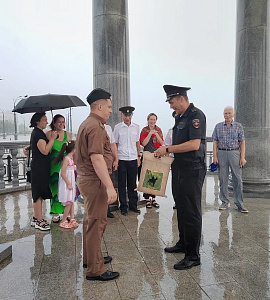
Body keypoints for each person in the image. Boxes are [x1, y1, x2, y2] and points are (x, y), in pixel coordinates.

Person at [154, 84, 206, 270]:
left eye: (172, 101)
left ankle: (193, 256)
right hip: (180, 168)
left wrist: (168, 149)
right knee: (181, 208)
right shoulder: (179, 118)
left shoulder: (195, 116)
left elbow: (193, 144)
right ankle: (183, 243)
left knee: (191, 210)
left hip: (192, 169)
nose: (170, 106)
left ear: (182, 98)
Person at [75, 88, 119, 281]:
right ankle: (95, 269)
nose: (111, 110)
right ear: (99, 106)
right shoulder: (95, 127)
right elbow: (97, 158)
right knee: (96, 223)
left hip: (87, 179)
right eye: (109, 107)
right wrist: (109, 186)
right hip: (95, 181)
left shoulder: (89, 123)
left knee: (89, 220)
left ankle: (91, 258)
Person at [212, 106, 248, 213]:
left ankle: (239, 203)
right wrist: (215, 156)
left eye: (229, 113)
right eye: (225, 113)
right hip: (222, 152)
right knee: (223, 178)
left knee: (237, 178)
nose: (227, 115)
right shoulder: (218, 126)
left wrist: (242, 157)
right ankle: (224, 201)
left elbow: (242, 142)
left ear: (233, 114)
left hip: (235, 152)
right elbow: (214, 142)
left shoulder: (238, 126)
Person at [29, 112, 58, 231]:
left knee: (40, 192)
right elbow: (45, 150)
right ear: (37, 121)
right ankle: (39, 220)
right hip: (39, 168)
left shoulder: (38, 133)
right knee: (38, 194)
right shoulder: (38, 134)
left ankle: (37, 217)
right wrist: (52, 139)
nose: (47, 122)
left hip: (41, 167)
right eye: (44, 120)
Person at [113, 106, 141, 215]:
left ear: (132, 115)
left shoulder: (136, 127)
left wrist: (138, 156)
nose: (127, 117)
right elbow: (115, 144)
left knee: (132, 183)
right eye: (125, 115)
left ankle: (133, 205)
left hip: (133, 158)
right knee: (122, 184)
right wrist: (116, 158)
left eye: (129, 115)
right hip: (122, 158)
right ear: (122, 115)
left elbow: (137, 142)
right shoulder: (118, 128)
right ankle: (123, 206)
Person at [46, 114, 72, 223]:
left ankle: (67, 212)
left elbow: (71, 149)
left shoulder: (68, 134)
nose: (61, 124)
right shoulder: (49, 134)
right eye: (59, 122)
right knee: (55, 189)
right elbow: (44, 146)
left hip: (65, 165)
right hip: (54, 166)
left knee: (66, 189)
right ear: (54, 123)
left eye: (63, 122)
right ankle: (55, 212)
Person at [139, 113, 163, 208]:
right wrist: (150, 133)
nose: (152, 121)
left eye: (154, 120)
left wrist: (156, 134)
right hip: (146, 155)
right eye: (151, 119)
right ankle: (147, 198)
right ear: (148, 120)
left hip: (156, 155)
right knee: (146, 176)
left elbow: (162, 143)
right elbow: (143, 143)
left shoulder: (159, 130)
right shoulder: (144, 130)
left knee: (155, 176)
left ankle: (154, 198)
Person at [54, 140, 79, 229]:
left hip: (71, 181)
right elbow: (63, 173)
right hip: (67, 182)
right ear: (73, 149)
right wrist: (68, 183)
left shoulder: (71, 158)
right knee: (69, 201)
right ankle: (64, 220)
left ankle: (72, 218)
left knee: (71, 200)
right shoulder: (66, 159)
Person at [164, 111, 178, 209]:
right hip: (174, 159)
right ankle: (177, 201)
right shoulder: (171, 131)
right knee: (176, 181)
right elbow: (166, 145)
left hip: (186, 160)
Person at [104, 123, 119, 218]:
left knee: (107, 183)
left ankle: (107, 209)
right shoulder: (91, 126)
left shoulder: (108, 128)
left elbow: (112, 144)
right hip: (95, 161)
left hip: (107, 160)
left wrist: (116, 159)